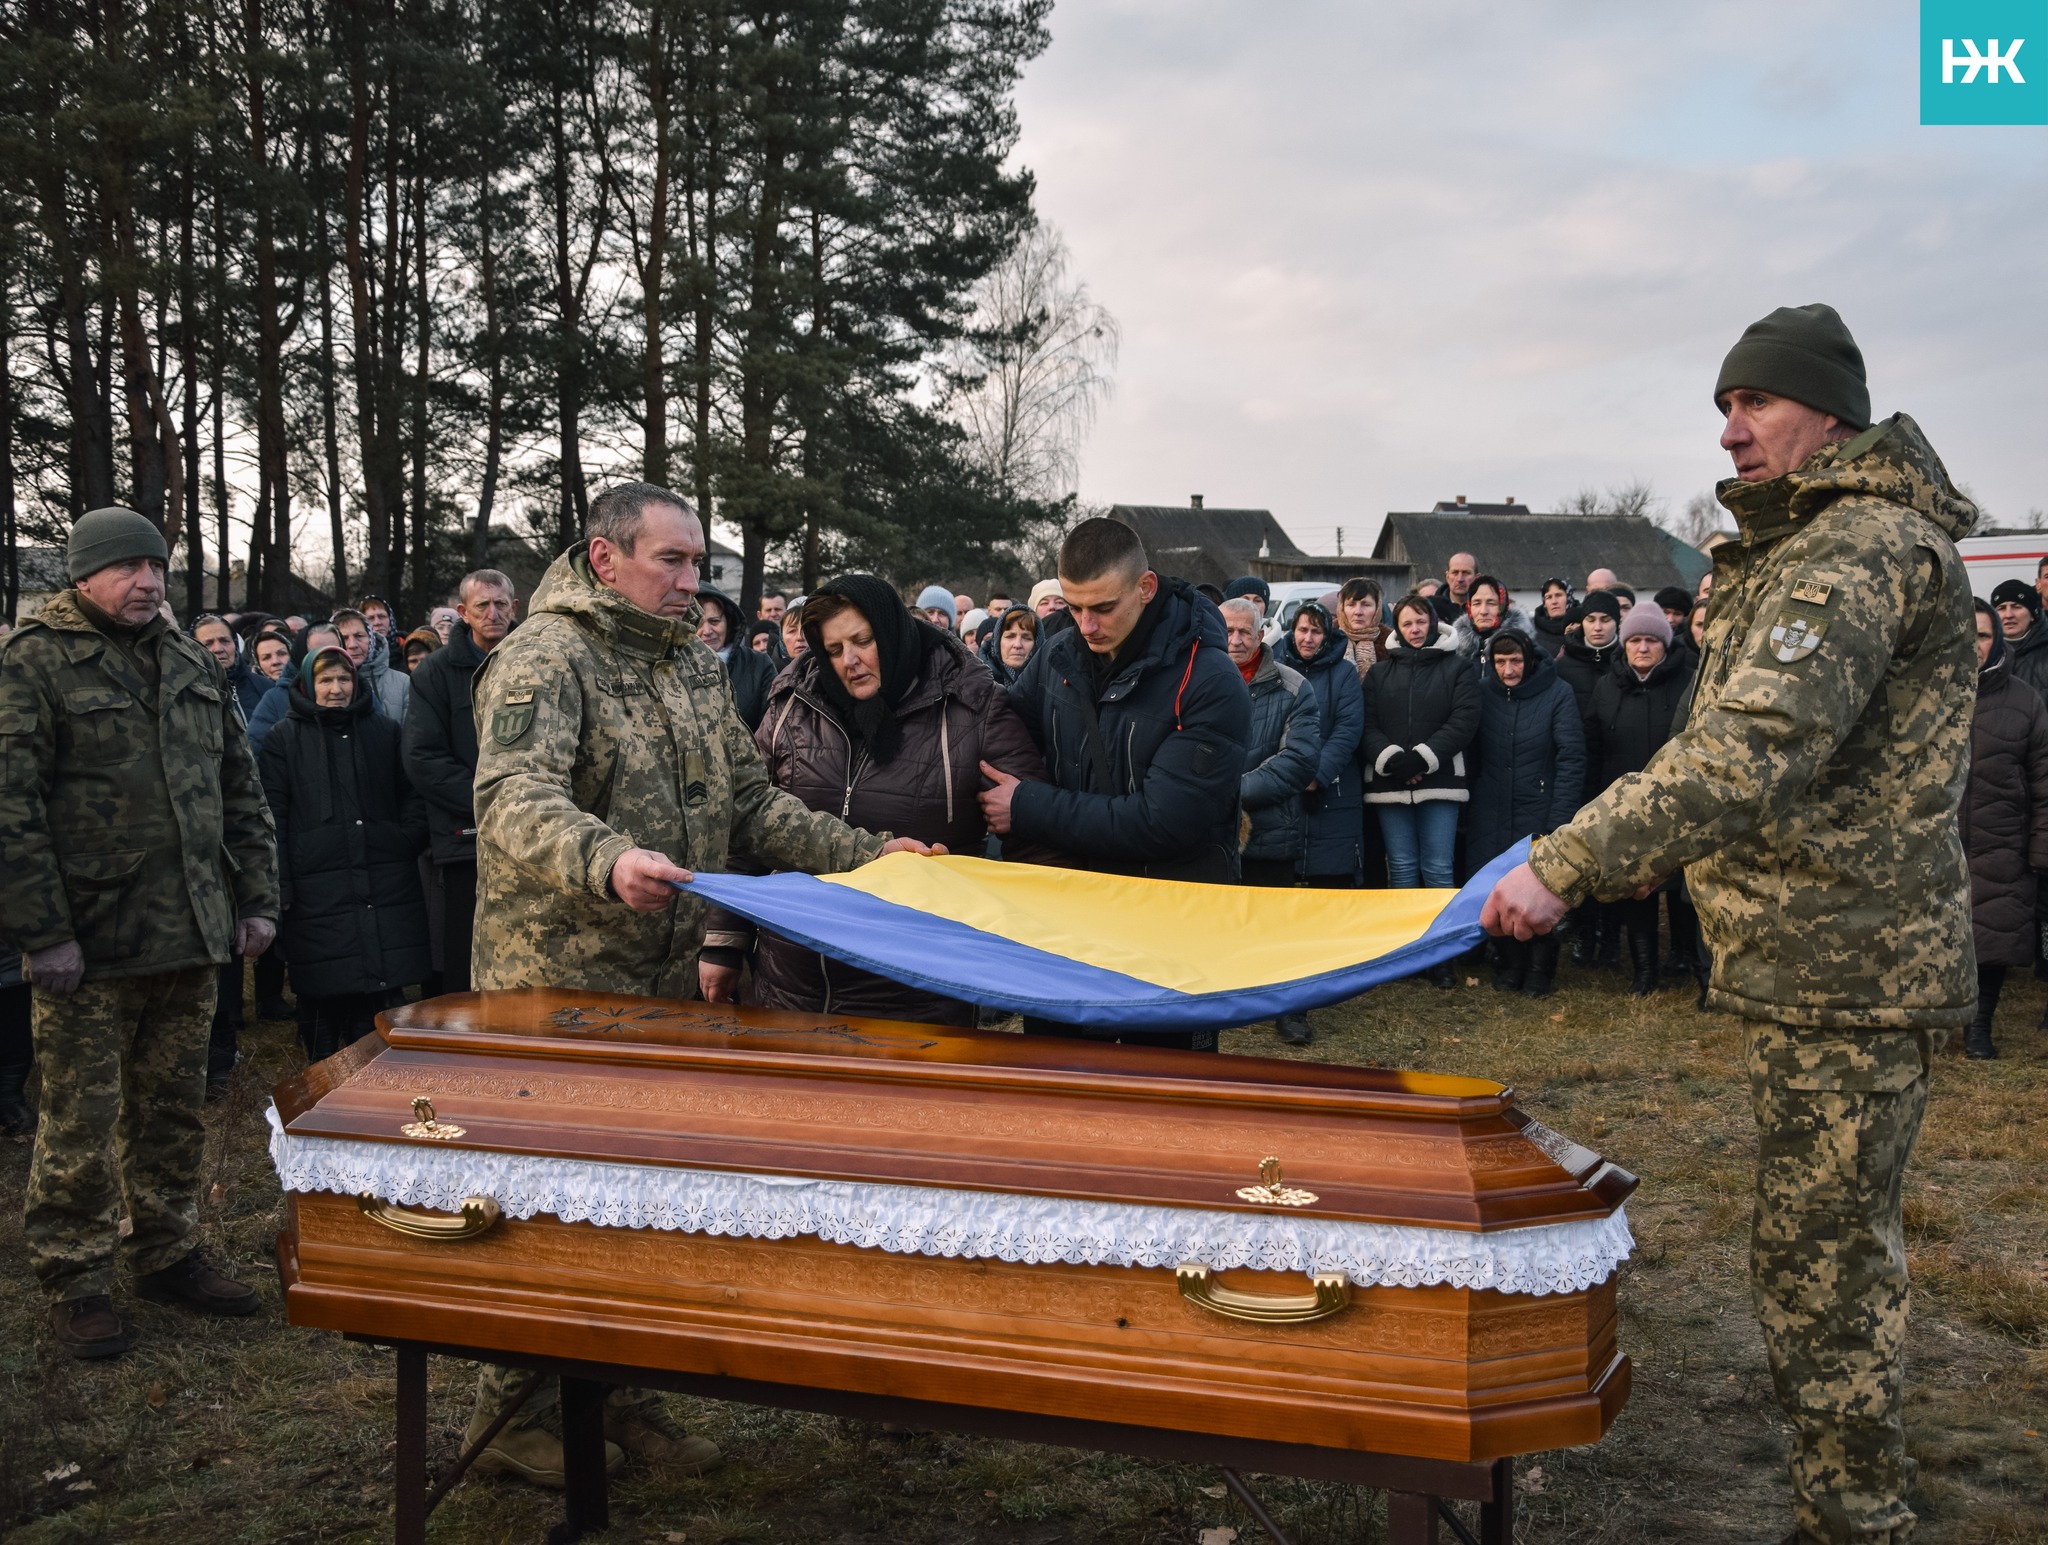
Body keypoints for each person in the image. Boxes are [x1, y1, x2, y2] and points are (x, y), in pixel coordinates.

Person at [1484, 303, 1977, 1545]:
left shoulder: (1854, 548)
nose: (1729, 427)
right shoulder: (1803, 543)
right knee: (1818, 1252)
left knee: (1822, 1271)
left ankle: (1855, 1519)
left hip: (1847, 968)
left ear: (1826, 412)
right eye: (1722, 403)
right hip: (1816, 959)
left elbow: (1752, 751)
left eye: (1754, 402)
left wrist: (1573, 862)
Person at [465, 482, 936, 1486]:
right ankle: (510, 1412)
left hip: (663, 983)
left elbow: (752, 806)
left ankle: (615, 1394)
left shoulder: (686, 663)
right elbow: (512, 797)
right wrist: (606, 860)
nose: (692, 580)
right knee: (543, 1201)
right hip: (557, 984)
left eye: (697, 562)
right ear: (605, 559)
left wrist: (866, 854)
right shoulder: (545, 658)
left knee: (637, 1197)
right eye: (670, 561)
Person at [0, 506, 278, 1359]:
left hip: (190, 931)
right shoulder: (35, 662)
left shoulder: (189, 656)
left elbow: (241, 786)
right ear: (82, 576)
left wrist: (257, 897)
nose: (148, 582)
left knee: (171, 1109)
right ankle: (75, 1278)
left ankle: (166, 1248)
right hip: (91, 943)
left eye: (156, 567)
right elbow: (10, 810)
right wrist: (44, 932)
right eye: (128, 568)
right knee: (80, 1118)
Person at [708, 577, 1050, 1025]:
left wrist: (1028, 960)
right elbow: (750, 821)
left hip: (917, 991)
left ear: (890, 631)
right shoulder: (793, 705)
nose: (849, 661)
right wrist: (723, 939)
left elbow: (1035, 842)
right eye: (833, 649)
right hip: (794, 986)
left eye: (863, 641)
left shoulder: (973, 706)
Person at [981, 517, 1251, 1051]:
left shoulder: (1211, 681)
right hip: (1067, 919)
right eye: (1074, 606)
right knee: (1060, 1081)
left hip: (1167, 927)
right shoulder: (1058, 653)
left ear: (1145, 588)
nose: (1086, 624)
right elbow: (1008, 727)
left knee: (1161, 1096)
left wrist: (1028, 806)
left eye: (1103, 608)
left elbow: (1162, 823)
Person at [259, 646, 431, 1059]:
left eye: (343, 679)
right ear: (307, 683)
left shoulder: (385, 731)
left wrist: (403, 838)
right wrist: (281, 881)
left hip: (383, 877)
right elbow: (272, 816)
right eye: (325, 680)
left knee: (381, 990)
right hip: (316, 888)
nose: (336, 689)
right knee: (323, 989)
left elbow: (412, 794)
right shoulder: (282, 738)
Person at [403, 569, 519, 996]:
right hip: (465, 836)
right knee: (465, 956)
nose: (493, 613)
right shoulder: (434, 673)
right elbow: (423, 758)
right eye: (482, 606)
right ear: (462, 613)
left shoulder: (539, 660)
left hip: (539, 836)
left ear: (515, 607)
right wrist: (496, 803)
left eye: (501, 604)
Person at [1361, 595, 1478, 987]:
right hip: (1390, 784)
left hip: (1440, 782)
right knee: (1404, 869)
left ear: (1432, 623)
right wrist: (1395, 760)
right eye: (1407, 623)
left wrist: (1423, 759)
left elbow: (1463, 720)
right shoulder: (1380, 673)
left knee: (1439, 870)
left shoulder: (1457, 667)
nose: (1414, 629)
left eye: (1420, 622)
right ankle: (1406, 954)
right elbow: (1368, 724)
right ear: (1398, 626)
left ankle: (1440, 955)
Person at [1223, 598, 1322, 1044]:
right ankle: (1220, 1001)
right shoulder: (1196, 679)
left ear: (1262, 634)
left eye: (1246, 631)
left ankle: (1289, 1009)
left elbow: (1298, 760)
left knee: (1278, 925)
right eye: (1228, 630)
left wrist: (1228, 792)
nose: (1236, 640)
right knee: (1218, 922)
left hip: (1271, 827)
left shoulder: (1293, 686)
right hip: (1209, 831)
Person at [1582, 602, 1693, 996]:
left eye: (1651, 641)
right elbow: (1593, 745)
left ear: (1665, 644)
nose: (1643, 648)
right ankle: (1644, 971)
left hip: (1678, 803)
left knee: (1684, 890)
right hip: (1624, 803)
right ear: (1624, 645)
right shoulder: (1607, 686)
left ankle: (1687, 958)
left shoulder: (1688, 683)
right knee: (1636, 887)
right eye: (1635, 640)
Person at [1468, 632, 1584, 996]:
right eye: (1500, 662)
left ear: (1529, 659)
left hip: (1539, 805)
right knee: (1496, 886)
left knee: (1540, 886)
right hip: (1490, 806)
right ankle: (1509, 962)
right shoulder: (1482, 692)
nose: (1508, 669)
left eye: (1515, 660)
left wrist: (1559, 818)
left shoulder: (1557, 693)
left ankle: (1539, 967)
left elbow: (1571, 757)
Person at [1958, 600, 2048, 1060]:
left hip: (2002, 841)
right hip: (1939, 844)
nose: (1974, 645)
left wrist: (2040, 847)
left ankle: (1979, 1029)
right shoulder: (1923, 694)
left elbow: (2043, 778)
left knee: (1990, 940)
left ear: (1996, 641)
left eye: (1983, 635)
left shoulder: (2024, 700)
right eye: (1965, 633)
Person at [1276, 602, 1367, 888]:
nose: (1308, 638)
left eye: (1316, 631)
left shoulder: (1344, 673)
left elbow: (1348, 729)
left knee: (1329, 877)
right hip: (1283, 782)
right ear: (1293, 632)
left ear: (1327, 635)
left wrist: (1317, 774)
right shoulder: (1277, 670)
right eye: (1303, 630)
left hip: (1333, 785)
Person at [247, 621, 341, 754]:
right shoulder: (275, 699)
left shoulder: (358, 691)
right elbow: (256, 753)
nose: (327, 661)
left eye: (333, 652)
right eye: (316, 653)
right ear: (301, 654)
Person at [695, 584, 775, 728]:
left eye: (714, 621)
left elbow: (772, 726)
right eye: (699, 623)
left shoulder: (759, 664)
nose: (707, 631)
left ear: (728, 622)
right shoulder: (672, 666)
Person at [333, 607, 409, 721]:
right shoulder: (325, 686)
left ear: (371, 638)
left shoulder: (403, 683)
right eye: (344, 638)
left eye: (359, 636)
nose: (353, 645)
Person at [193, 614, 267, 718]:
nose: (218, 649)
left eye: (224, 641)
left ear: (235, 643)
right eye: (208, 644)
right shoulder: (189, 695)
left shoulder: (264, 687)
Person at [1447, 575, 1533, 664]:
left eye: (1491, 603)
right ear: (1469, 607)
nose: (1483, 611)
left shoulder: (1528, 650)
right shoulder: (1453, 651)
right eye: (1477, 603)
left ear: (1503, 607)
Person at [1988, 579, 2048, 697]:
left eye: (2016, 607)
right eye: (2001, 608)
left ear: (2032, 615)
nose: (2009, 615)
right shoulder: (1984, 654)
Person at [1336, 577, 1390, 679]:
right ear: (1341, 607)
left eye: (1366, 605)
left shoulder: (1391, 646)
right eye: (1351, 604)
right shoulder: (1328, 642)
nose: (1358, 612)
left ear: (1377, 608)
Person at [983, 604, 1039, 686]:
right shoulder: (977, 680)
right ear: (997, 641)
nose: (1017, 645)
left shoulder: (1049, 681)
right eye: (1010, 636)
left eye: (1026, 638)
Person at [1430, 552, 1479, 625]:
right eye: (1455, 573)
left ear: (1477, 578)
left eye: (1466, 573)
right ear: (1447, 576)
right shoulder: (1430, 608)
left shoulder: (1486, 610)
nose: (1460, 579)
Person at [1532, 579, 1573, 654]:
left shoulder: (1585, 624)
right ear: (1544, 602)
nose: (1554, 601)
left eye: (1558, 595)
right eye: (1549, 597)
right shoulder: (1532, 631)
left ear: (1569, 598)